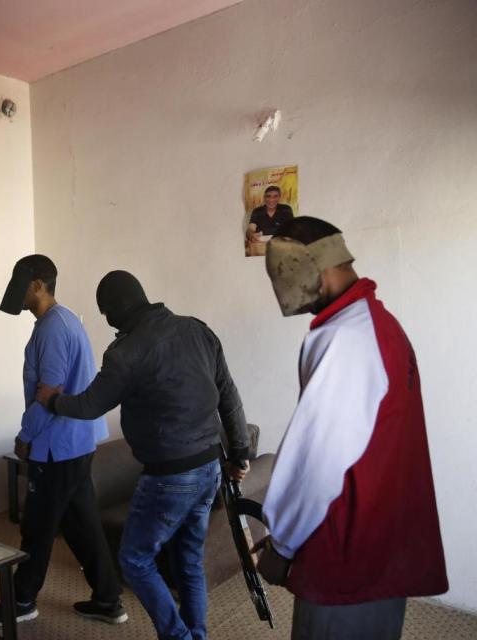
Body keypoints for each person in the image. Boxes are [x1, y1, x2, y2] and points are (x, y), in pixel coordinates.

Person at [253, 216, 448, 639]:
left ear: (316, 270)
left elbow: (316, 461)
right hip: (382, 542)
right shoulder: (380, 324)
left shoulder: (345, 338)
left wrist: (281, 545)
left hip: (348, 549)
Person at [35, 270, 250, 640]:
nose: (107, 320)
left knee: (134, 560)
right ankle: (196, 634)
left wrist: (52, 400)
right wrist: (240, 453)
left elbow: (90, 405)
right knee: (188, 560)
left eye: (105, 313)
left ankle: (179, 637)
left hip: (169, 477)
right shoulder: (197, 329)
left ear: (115, 309)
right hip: (209, 467)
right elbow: (228, 395)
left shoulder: (127, 351)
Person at [0, 255, 126, 627]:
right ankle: (109, 599)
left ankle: (21, 601)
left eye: (20, 282)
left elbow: (49, 394)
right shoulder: (64, 320)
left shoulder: (51, 328)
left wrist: (24, 436)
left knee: (37, 525)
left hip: (57, 446)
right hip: (78, 442)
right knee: (81, 524)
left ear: (37, 284)